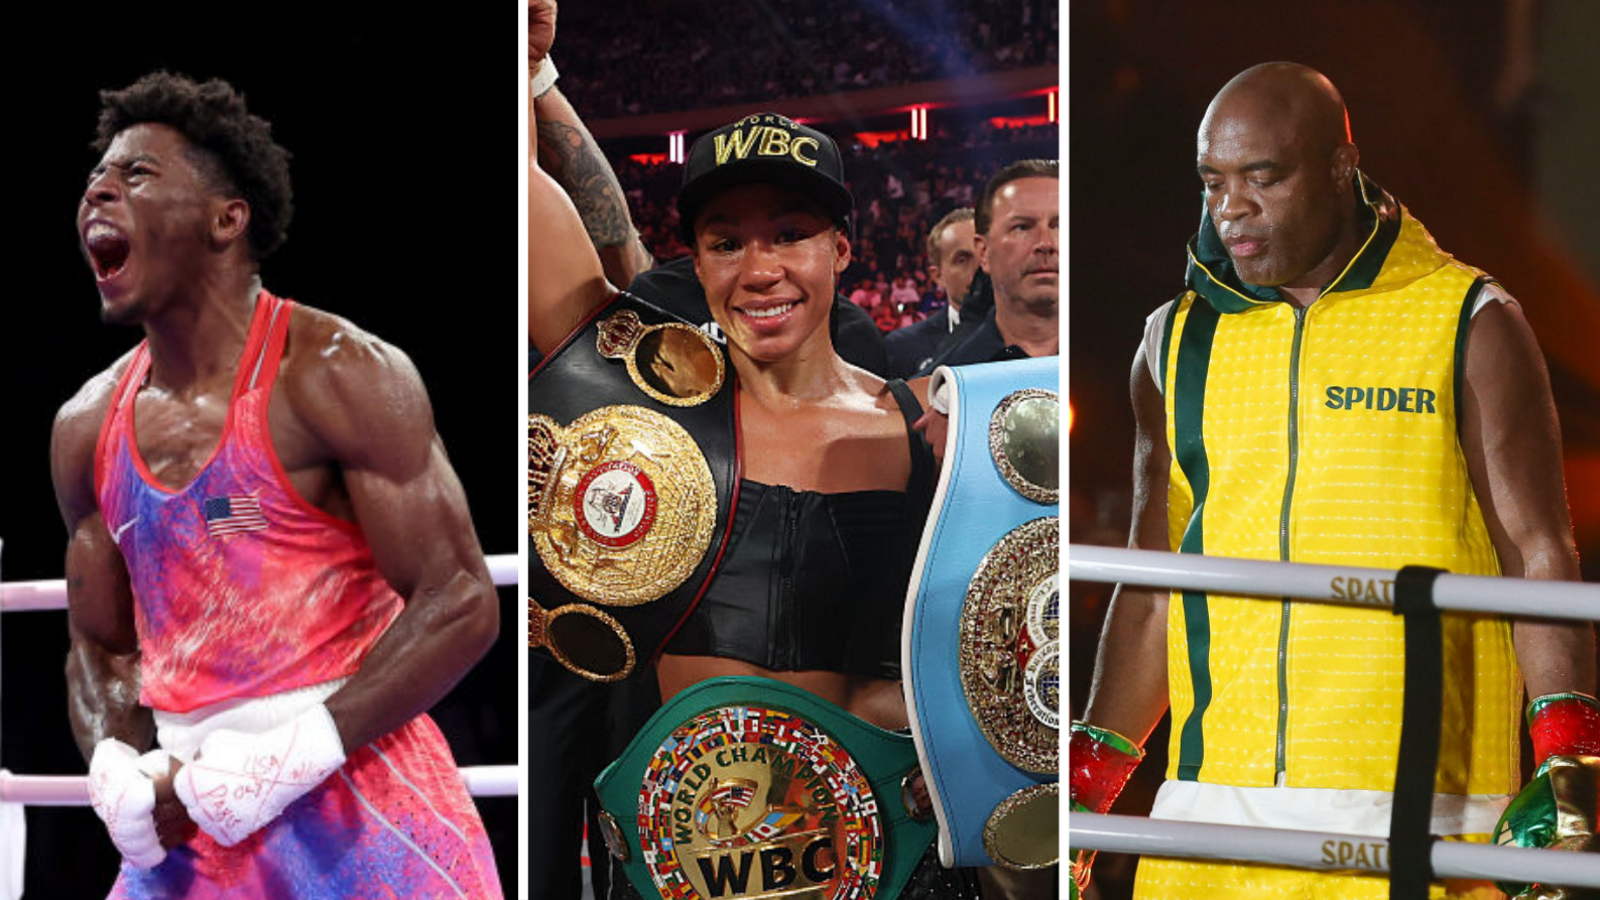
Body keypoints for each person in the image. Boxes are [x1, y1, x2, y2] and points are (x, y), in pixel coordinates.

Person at [1072, 62, 1596, 900]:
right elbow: (1153, 587)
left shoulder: (1468, 319)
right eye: (1213, 182)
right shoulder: (1172, 342)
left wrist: (1570, 762)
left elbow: (1537, 553)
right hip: (1209, 826)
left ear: (1341, 167)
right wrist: (1083, 784)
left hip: (1426, 825)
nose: (1231, 208)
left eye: (1262, 177)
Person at [528, 23, 980, 899]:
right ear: (696, 265)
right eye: (727, 242)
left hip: (880, 859)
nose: (760, 269)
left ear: (840, 250)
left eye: (790, 234)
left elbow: (979, 646)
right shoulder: (648, 407)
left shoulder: (924, 425)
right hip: (679, 865)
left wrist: (948, 751)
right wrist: (530, 62)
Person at [52, 72, 503, 898]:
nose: (98, 193)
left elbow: (462, 599)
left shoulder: (336, 373)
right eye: (95, 179)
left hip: (360, 802)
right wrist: (112, 757)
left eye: (136, 174)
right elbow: (101, 645)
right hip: (189, 818)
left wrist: (288, 758)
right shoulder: (85, 427)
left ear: (228, 218)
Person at [921, 160, 1058, 372]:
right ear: (983, 252)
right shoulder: (943, 386)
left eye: (1060, 226)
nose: (1045, 243)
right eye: (1022, 227)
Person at [885, 207, 979, 377]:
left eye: (986, 254)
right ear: (938, 276)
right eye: (962, 260)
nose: (979, 269)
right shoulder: (903, 347)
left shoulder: (1030, 335)